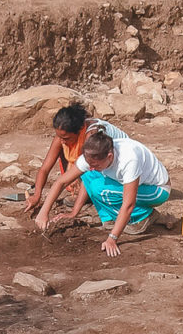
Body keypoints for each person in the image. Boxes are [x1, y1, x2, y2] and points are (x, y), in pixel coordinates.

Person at [34, 127, 171, 258]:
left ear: (110, 156)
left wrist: (112, 238)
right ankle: (111, 219)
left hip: (156, 190)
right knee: (88, 176)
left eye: (96, 165)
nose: (93, 167)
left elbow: (129, 203)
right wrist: (45, 213)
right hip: (136, 185)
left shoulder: (128, 159)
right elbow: (62, 181)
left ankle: (144, 216)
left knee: (101, 189)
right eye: (90, 164)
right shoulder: (93, 154)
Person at [25, 102, 126, 215]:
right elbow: (45, 169)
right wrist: (37, 195)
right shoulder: (62, 136)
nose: (62, 141)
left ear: (80, 130)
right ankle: (86, 193)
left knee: (92, 178)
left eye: (66, 138)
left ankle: (92, 195)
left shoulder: (92, 136)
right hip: (99, 164)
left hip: (116, 168)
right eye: (60, 136)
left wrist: (73, 213)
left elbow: (90, 172)